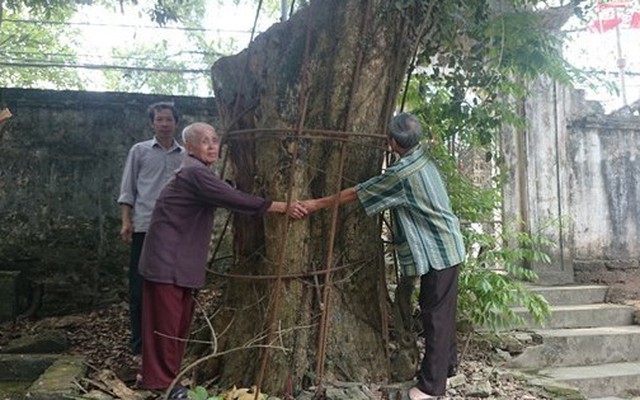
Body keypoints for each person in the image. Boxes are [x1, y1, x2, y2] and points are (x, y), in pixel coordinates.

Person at [299, 113, 465, 400]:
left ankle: (430, 387)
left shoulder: (401, 174)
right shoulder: (422, 158)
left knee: (435, 316)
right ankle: (447, 367)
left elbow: (359, 192)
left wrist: (316, 203)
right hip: (448, 246)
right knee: (440, 311)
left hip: (438, 251)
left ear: (391, 142)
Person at [137, 122, 306, 399]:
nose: (212, 146)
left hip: (176, 260)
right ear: (190, 147)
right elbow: (231, 198)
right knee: (166, 325)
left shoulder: (197, 172)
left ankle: (165, 378)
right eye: (205, 141)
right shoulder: (194, 173)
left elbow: (222, 190)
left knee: (177, 324)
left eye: (215, 140)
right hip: (167, 260)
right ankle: (165, 384)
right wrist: (280, 206)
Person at [118, 102, 185, 358]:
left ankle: (167, 344)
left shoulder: (184, 155)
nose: (165, 124)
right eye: (160, 119)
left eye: (169, 119)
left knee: (169, 288)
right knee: (139, 287)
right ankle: (139, 345)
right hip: (144, 226)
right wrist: (126, 221)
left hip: (175, 231)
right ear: (152, 123)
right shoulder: (140, 151)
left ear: (176, 123)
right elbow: (128, 187)